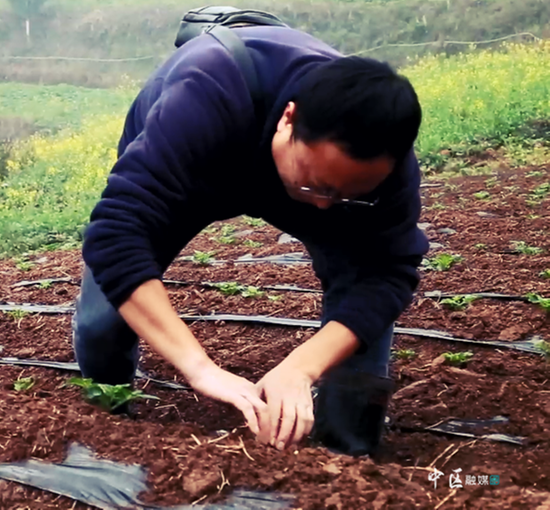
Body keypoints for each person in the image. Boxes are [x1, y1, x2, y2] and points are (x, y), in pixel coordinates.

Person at [73, 24, 427, 456]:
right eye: (317, 185)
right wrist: (200, 368)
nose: (324, 209)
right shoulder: (204, 97)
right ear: (288, 119)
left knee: (361, 327)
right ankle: (110, 419)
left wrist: (301, 368)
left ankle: (346, 456)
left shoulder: (383, 167)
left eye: (350, 195)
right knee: (101, 320)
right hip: (206, 163)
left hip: (271, 152)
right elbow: (117, 234)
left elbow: (386, 272)